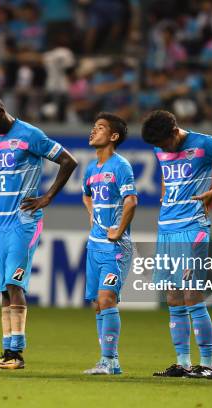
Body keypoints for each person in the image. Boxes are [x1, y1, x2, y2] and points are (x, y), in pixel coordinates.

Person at [0, 94, 77, 369]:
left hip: (24, 221)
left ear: (2, 111)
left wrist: (47, 197)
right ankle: (7, 353)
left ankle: (17, 354)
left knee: (15, 283)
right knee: (4, 289)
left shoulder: (31, 134)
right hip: (1, 221)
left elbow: (69, 161)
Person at [141, 110, 212, 378]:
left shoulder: (204, 143)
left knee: (191, 294)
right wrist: (164, 197)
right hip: (167, 228)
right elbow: (165, 176)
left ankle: (207, 364)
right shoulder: (161, 149)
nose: (162, 149)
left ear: (174, 132)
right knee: (173, 296)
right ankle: (183, 362)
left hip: (193, 227)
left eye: (164, 143)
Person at [81, 112, 137, 375]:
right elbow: (86, 194)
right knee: (97, 302)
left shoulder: (121, 166)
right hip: (94, 246)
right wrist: (92, 213)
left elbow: (131, 201)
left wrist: (119, 230)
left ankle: (111, 360)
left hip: (116, 247)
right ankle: (106, 362)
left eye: (100, 127)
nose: (94, 131)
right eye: (94, 126)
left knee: (106, 298)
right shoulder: (91, 169)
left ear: (113, 136)